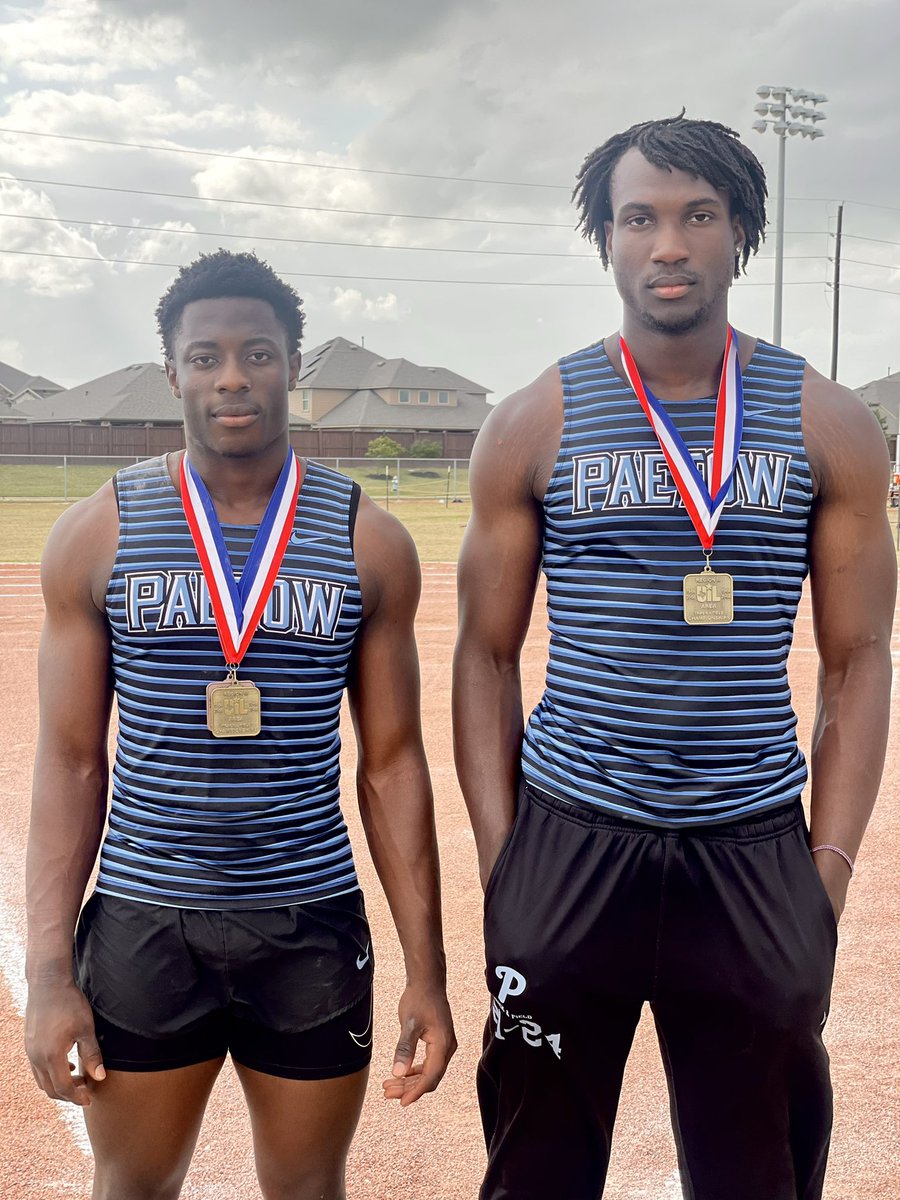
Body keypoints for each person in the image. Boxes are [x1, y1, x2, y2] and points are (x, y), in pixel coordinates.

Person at [453, 115, 895, 1200]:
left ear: (741, 231)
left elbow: (858, 662)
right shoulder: (533, 422)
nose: (668, 245)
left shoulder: (826, 422)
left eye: (699, 216)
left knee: (758, 1178)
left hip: (750, 846)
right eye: (640, 218)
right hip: (572, 834)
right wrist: (508, 861)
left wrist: (823, 877)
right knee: (535, 1172)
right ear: (604, 240)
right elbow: (484, 655)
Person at [25, 249, 455, 1200]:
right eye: (207, 355)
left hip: (308, 925)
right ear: (171, 365)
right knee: (132, 1187)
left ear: (292, 365)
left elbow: (391, 766)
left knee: (308, 1191)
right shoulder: (100, 531)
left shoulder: (365, 539)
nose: (231, 378)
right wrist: (49, 976)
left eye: (257, 353)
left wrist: (427, 970)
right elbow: (66, 763)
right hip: (145, 921)